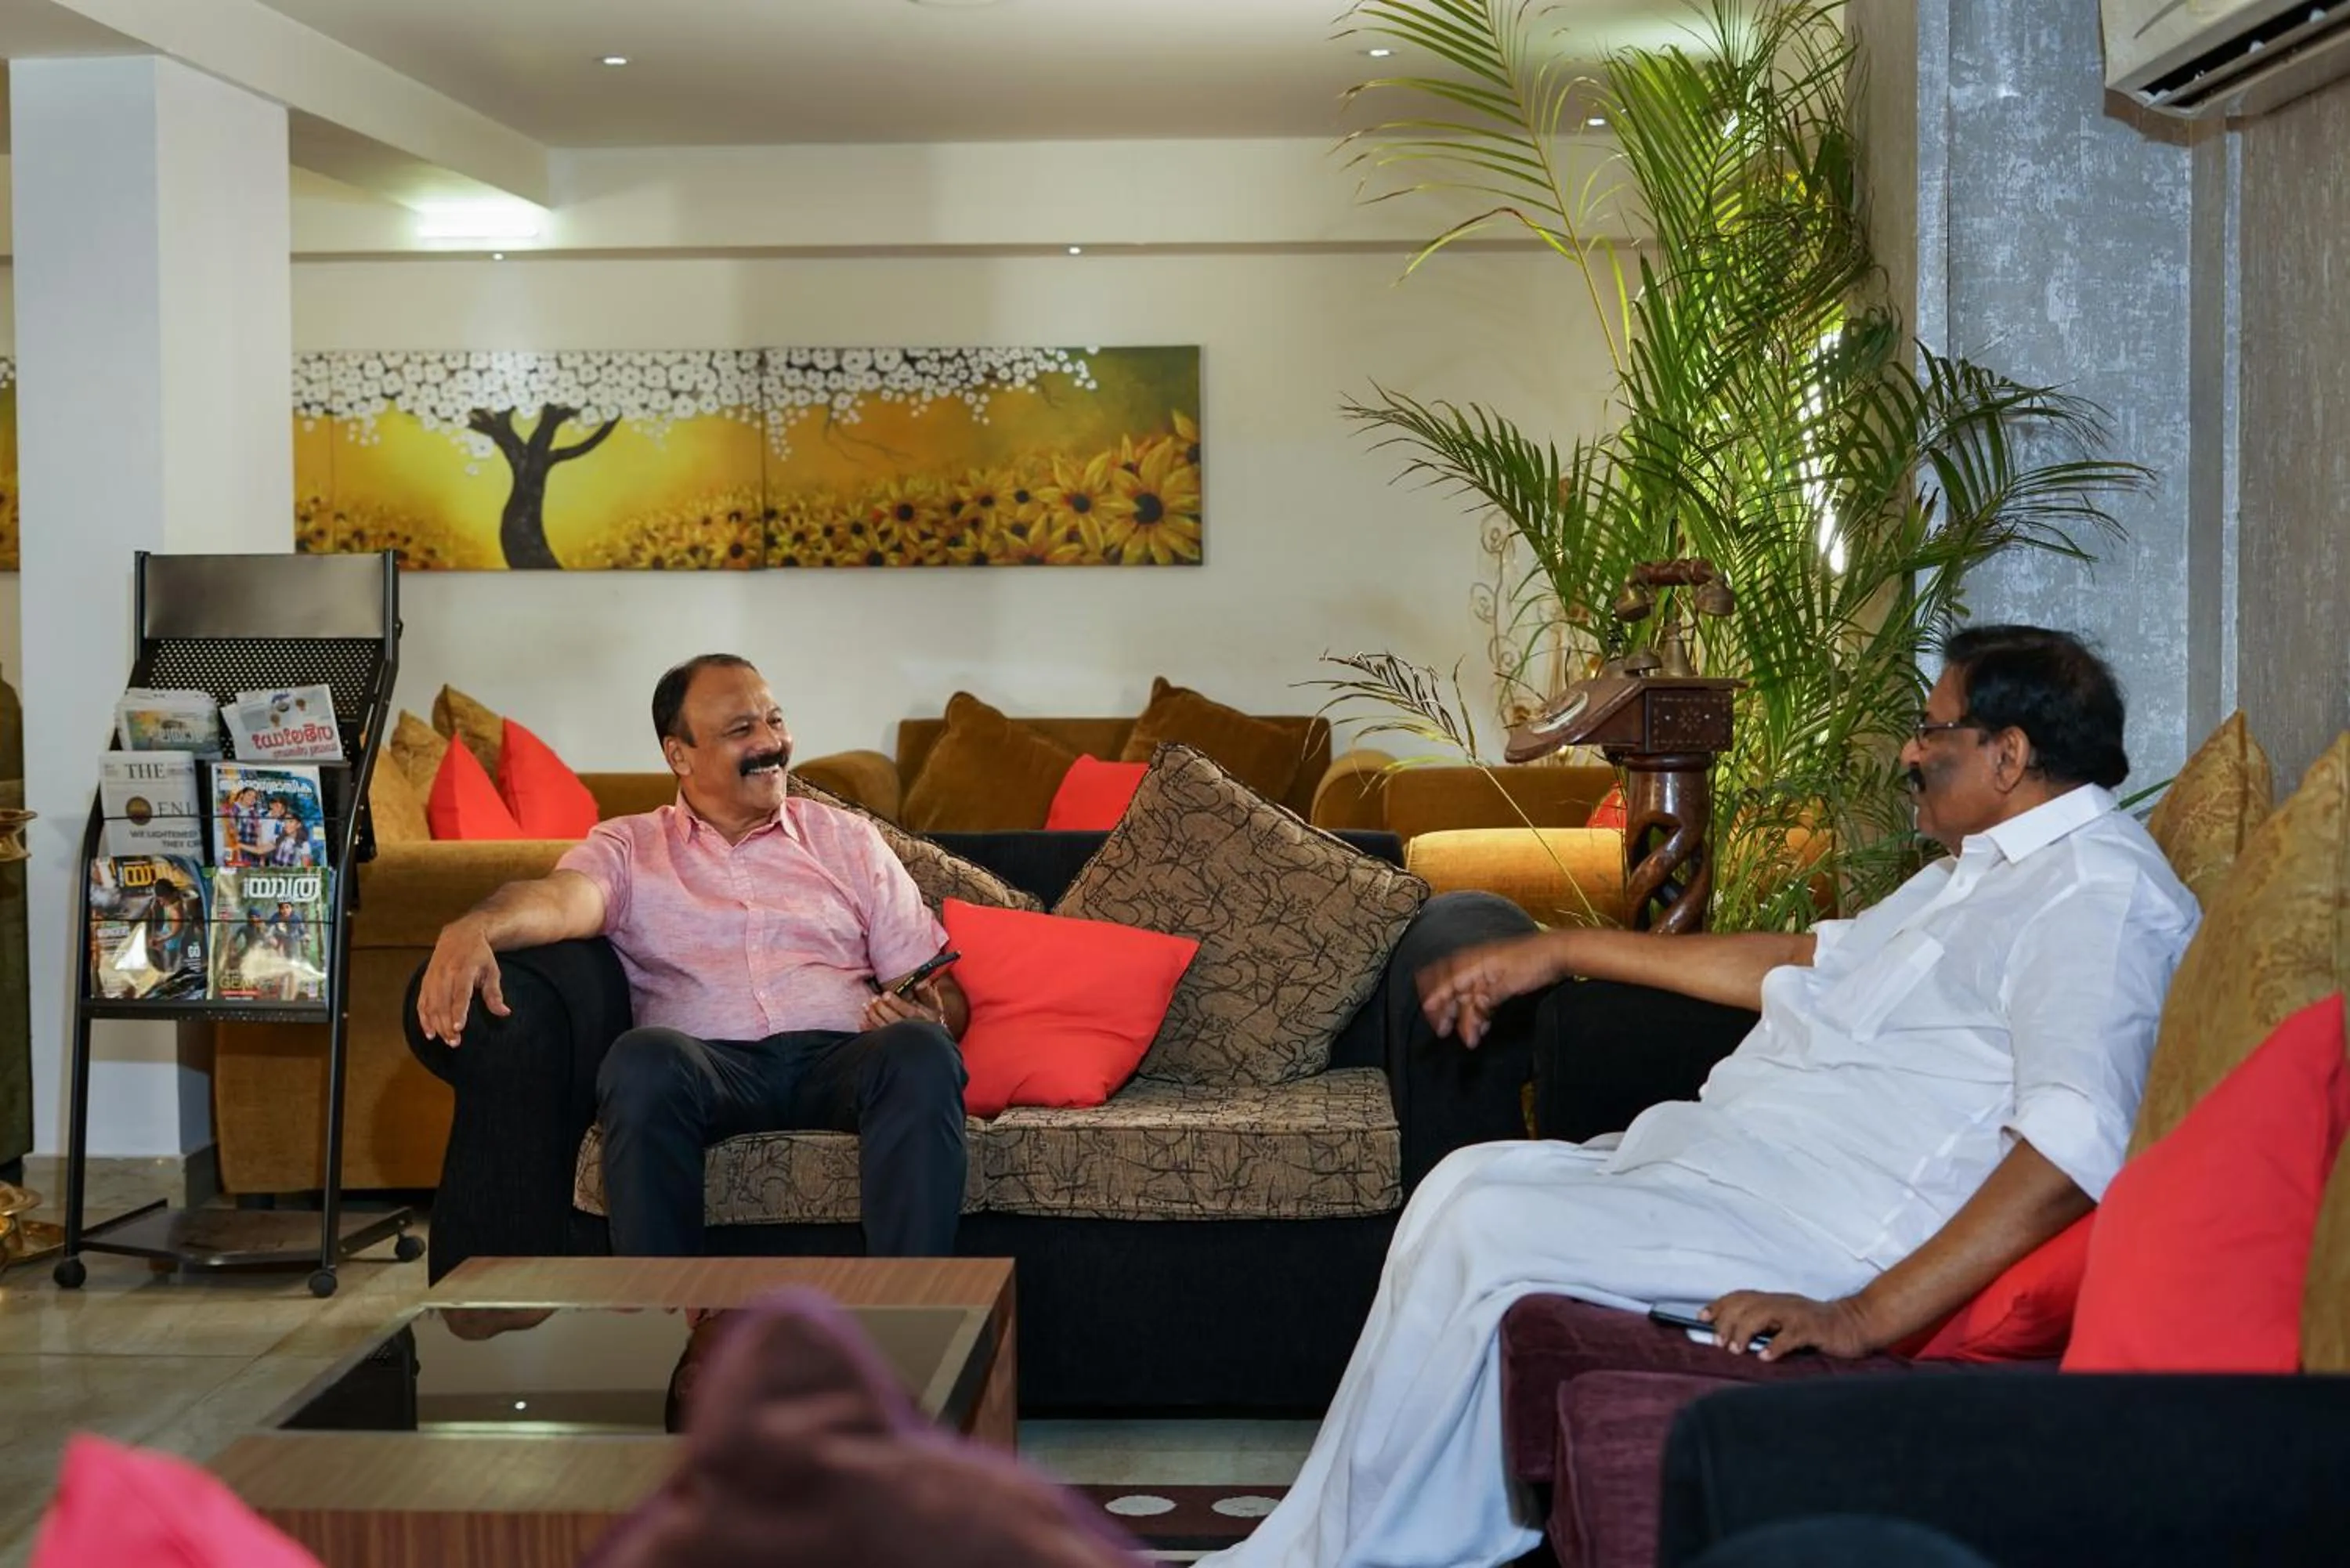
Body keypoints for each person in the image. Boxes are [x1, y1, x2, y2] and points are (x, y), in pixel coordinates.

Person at [1201, 627, 2200, 1568]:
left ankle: (1351, 1554)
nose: (1909, 751)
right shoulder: (1975, 876)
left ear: (2010, 753)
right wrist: (1556, 950)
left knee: (1489, 1227)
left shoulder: (2099, 897)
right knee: (1466, 1183)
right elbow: (1805, 960)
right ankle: (1360, 1541)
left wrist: (1862, 1314)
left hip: (1830, 1228)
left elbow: (2075, 1143)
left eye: (1933, 728)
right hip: (1748, 1169)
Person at [413, 653, 971, 1259]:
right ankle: (666, 1323)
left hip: (841, 1055)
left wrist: (936, 1021)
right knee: (641, 1059)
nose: (772, 744)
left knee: (920, 1051)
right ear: (679, 754)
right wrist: (477, 927)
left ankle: (915, 1317)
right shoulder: (630, 847)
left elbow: (940, 992)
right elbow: (559, 900)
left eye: (775, 721)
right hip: (707, 1067)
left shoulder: (847, 839)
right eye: (741, 731)